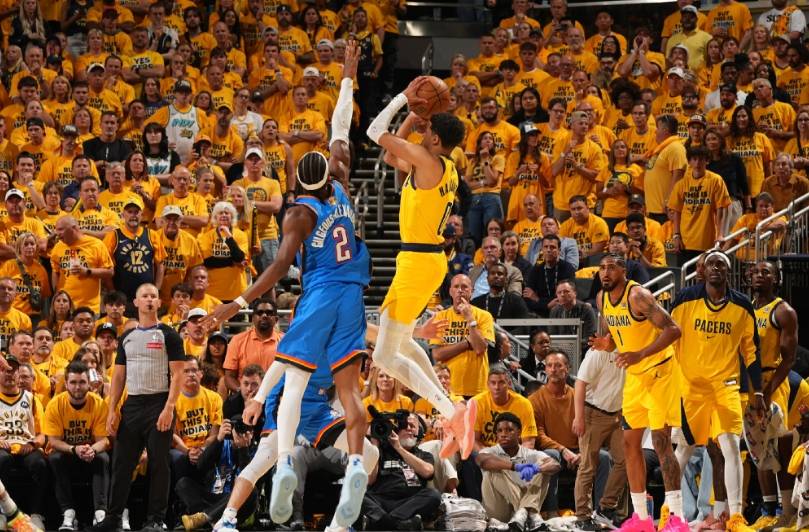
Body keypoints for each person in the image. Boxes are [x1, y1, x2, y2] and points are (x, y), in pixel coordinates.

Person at [204, 44, 373, 530]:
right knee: (350, 389)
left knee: (294, 380)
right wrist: (347, 74)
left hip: (321, 291)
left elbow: (279, 267)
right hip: (355, 294)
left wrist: (236, 303)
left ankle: (282, 467)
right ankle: (356, 463)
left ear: (299, 183)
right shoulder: (342, 182)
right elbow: (340, 126)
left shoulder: (299, 213)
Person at [365, 75, 475, 460]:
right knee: (399, 343)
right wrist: (414, 118)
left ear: (435, 139)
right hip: (421, 261)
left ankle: (451, 412)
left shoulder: (427, 161)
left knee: (383, 357)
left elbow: (374, 132)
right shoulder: (445, 166)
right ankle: (452, 406)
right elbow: (389, 157)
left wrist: (402, 98)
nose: (421, 133)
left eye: (427, 130)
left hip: (417, 263)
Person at [671, 251, 763, 532]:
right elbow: (668, 338)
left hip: (726, 387)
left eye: (721, 264)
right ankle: (671, 514)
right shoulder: (685, 299)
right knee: (683, 449)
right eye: (711, 263)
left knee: (731, 447)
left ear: (728, 271)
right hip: (691, 388)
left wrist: (758, 391)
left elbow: (752, 352)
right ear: (702, 269)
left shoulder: (742, 305)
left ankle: (735, 517)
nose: (715, 268)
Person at [592, 254, 685, 528]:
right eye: (602, 268)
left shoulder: (638, 296)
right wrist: (607, 344)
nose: (605, 272)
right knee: (629, 444)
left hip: (660, 373)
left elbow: (674, 329)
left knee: (660, 443)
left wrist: (640, 354)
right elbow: (617, 337)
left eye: (611, 268)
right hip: (634, 376)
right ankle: (642, 519)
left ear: (624, 271)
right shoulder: (601, 299)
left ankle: (676, 518)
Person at [91, 283, 186, 532]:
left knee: (159, 464)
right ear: (136, 302)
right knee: (122, 463)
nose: (150, 299)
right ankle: (113, 518)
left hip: (159, 402)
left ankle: (155, 520)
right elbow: (118, 376)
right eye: (145, 296)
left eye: (154, 296)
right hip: (132, 404)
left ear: (159, 302)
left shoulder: (169, 335)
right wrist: (112, 410)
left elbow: (178, 375)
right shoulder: (127, 337)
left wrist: (169, 408)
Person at [750, 260, 800, 531]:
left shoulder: (783, 311)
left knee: (780, 448)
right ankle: (768, 510)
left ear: (777, 279)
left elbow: (789, 359)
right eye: (755, 272)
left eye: (765, 272)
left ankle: (787, 512)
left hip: (773, 382)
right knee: (759, 450)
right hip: (750, 384)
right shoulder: (747, 308)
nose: (759, 275)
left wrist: (767, 391)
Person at [43, 360, 110, 531]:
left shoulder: (99, 403)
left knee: (102, 458)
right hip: (67, 454)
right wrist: (74, 449)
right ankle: (68, 513)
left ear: (89, 384)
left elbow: (104, 440)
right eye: (73, 382)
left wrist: (92, 449)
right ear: (66, 384)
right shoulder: (55, 405)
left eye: (82, 382)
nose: (77, 387)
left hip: (90, 455)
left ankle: (100, 514)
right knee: (55, 458)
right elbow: (53, 441)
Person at [571, 347, 626, 530]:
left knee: (626, 461)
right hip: (592, 413)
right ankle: (582, 516)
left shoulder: (630, 350)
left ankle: (606, 507)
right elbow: (580, 383)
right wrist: (579, 417)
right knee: (588, 467)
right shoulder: (598, 352)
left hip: (616, 414)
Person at [477, 413, 559, 532]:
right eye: (500, 431)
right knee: (492, 469)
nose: (503, 434)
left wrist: (536, 469)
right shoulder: (489, 451)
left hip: (521, 509)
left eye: (509, 430)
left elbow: (555, 464)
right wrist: (516, 467)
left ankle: (523, 513)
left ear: (519, 432)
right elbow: (483, 462)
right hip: (499, 512)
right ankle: (528, 511)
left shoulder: (529, 453)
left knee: (544, 467)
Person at [360, 413, 441, 531]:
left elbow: (428, 472)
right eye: (404, 425)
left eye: (412, 426)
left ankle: (380, 524)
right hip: (379, 502)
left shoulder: (423, 455)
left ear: (419, 431)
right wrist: (375, 447)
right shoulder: (382, 451)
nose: (408, 428)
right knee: (354, 493)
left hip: (409, 503)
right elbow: (370, 480)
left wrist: (399, 448)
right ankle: (401, 525)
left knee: (433, 495)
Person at [430, 274, 495, 400]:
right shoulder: (440, 317)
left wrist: (470, 318)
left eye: (464, 287)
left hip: (477, 388)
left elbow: (480, 348)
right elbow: (437, 354)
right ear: (450, 291)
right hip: (449, 388)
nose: (460, 290)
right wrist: (467, 343)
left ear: (472, 291)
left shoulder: (484, 316)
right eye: (456, 287)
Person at [0, 354, 45, 532]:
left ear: (19, 375)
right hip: (2, 447)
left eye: (13, 370)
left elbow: (43, 434)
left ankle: (36, 514)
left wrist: (33, 444)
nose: (9, 373)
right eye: (4, 370)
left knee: (40, 463)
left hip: (26, 445)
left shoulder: (31, 398)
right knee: (2, 460)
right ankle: (2, 514)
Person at [668, 146, 731, 260]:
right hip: (685, 242)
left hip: (707, 241)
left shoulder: (716, 180)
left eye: (701, 159)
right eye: (694, 159)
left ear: (707, 161)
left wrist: (720, 234)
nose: (697, 163)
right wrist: (676, 235)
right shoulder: (681, 184)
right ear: (689, 162)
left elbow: (721, 209)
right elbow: (677, 211)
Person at [50, 216, 114, 314]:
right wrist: (56, 293)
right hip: (65, 308)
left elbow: (110, 271)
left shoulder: (96, 244)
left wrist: (87, 271)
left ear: (74, 228)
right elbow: (55, 271)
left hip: (89, 307)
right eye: (57, 230)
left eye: (61, 229)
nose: (57, 233)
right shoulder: (58, 247)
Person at [222, 298, 281, 392]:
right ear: (253, 318)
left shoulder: (285, 342)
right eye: (260, 313)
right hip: (245, 395)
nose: (264, 316)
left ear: (276, 319)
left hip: (276, 396)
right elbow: (229, 377)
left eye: (269, 313)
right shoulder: (237, 340)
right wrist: (243, 393)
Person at [523, 235, 576, 317]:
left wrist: (537, 299)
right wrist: (546, 305)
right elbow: (527, 298)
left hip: (562, 313)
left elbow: (564, 298)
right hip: (539, 314)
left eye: (552, 247)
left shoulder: (567, 268)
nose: (548, 250)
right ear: (541, 250)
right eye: (545, 247)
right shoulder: (535, 270)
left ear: (559, 250)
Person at [548, 279, 597, 358]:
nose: (562, 295)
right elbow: (552, 336)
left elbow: (589, 337)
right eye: (559, 292)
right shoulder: (555, 311)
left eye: (566, 291)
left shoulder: (586, 309)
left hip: (583, 352)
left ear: (575, 293)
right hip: (560, 353)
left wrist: (571, 348)